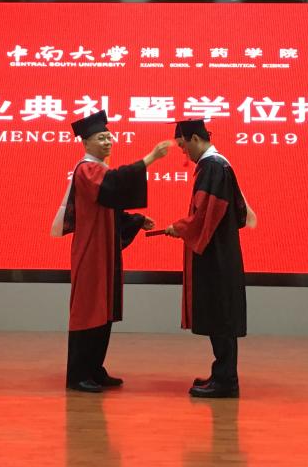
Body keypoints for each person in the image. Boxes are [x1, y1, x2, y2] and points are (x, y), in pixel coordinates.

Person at [53, 110, 170, 393]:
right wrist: (150, 159)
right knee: (88, 310)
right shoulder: (86, 170)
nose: (107, 142)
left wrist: (137, 220)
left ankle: (95, 368)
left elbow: (110, 207)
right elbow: (114, 183)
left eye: (109, 137)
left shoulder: (100, 170)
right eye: (100, 138)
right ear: (86, 143)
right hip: (91, 250)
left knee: (103, 310)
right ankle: (78, 374)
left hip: (104, 250)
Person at [165, 119, 251, 398]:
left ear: (194, 139)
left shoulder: (213, 166)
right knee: (219, 314)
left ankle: (226, 380)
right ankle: (221, 373)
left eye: (183, 146)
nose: (183, 152)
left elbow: (206, 213)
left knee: (221, 316)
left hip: (217, 255)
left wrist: (179, 227)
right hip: (219, 250)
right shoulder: (217, 165)